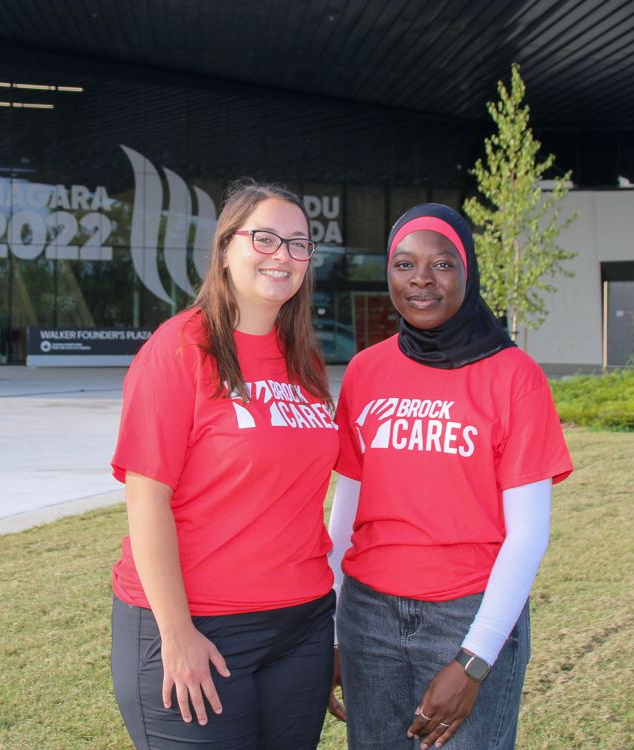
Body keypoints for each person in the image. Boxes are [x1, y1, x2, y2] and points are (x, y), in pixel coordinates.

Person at [327, 203, 573, 750]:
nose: (421, 279)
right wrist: (335, 634)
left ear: (467, 271)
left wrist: (474, 659)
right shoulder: (366, 370)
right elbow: (347, 512)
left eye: (442, 264)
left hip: (469, 614)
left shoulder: (515, 378)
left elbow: (528, 534)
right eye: (404, 264)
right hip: (368, 617)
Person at [109, 180, 340, 750]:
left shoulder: (304, 358)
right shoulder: (180, 348)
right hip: (200, 625)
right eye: (265, 238)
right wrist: (176, 633)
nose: (282, 255)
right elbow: (146, 498)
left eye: (299, 244)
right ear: (225, 248)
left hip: (302, 625)